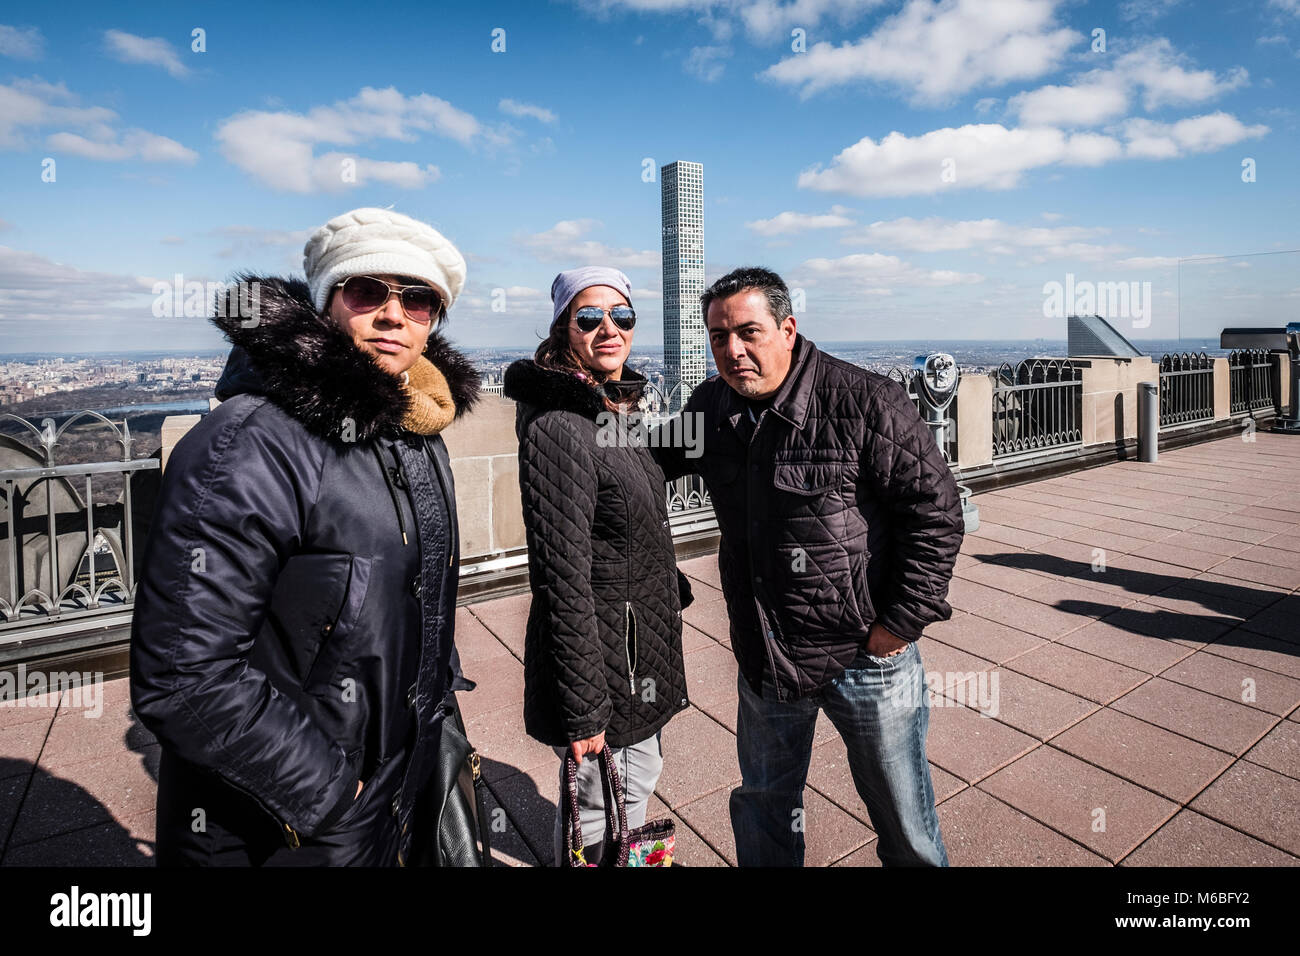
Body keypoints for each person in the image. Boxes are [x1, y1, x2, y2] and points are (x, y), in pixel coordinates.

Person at [130, 207, 481, 866]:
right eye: (367, 291)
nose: (392, 314)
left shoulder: (414, 430)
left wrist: (432, 706)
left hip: (386, 789)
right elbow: (183, 674)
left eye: (419, 301)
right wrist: (328, 791)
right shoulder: (251, 443)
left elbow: (409, 597)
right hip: (284, 822)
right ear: (327, 303)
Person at [651, 266, 964, 867]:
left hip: (863, 656)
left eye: (748, 331)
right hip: (766, 656)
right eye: (719, 336)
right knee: (766, 806)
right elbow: (639, 462)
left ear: (788, 328)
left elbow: (936, 515)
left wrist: (899, 625)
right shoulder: (712, 407)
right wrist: (569, 404)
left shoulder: (867, 402)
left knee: (905, 818)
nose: (733, 350)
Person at [503, 267, 691, 866]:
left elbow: (628, 489)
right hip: (612, 661)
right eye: (590, 317)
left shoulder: (606, 409)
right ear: (565, 328)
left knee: (622, 792)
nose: (609, 328)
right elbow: (562, 578)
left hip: (631, 643)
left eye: (623, 316)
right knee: (610, 801)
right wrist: (584, 710)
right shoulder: (562, 424)